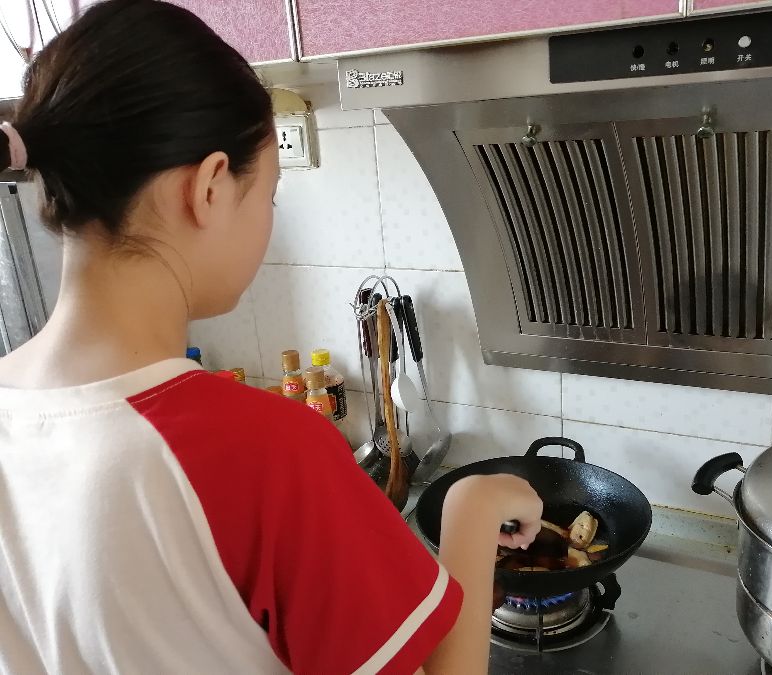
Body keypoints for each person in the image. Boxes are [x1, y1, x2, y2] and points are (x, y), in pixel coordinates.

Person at [0, 1, 542, 673]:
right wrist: (472, 507)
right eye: (270, 194)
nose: (269, 217)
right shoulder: (263, 450)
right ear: (208, 187)